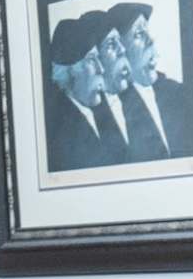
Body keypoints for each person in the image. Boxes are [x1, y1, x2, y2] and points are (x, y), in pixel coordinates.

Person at [104, 3, 193, 159]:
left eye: (147, 31)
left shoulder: (178, 93)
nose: (150, 40)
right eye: (139, 34)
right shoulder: (113, 107)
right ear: (121, 49)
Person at [41, 11, 132, 171]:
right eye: (91, 60)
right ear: (71, 70)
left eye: (98, 58)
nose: (101, 69)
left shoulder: (91, 111)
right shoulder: (62, 130)